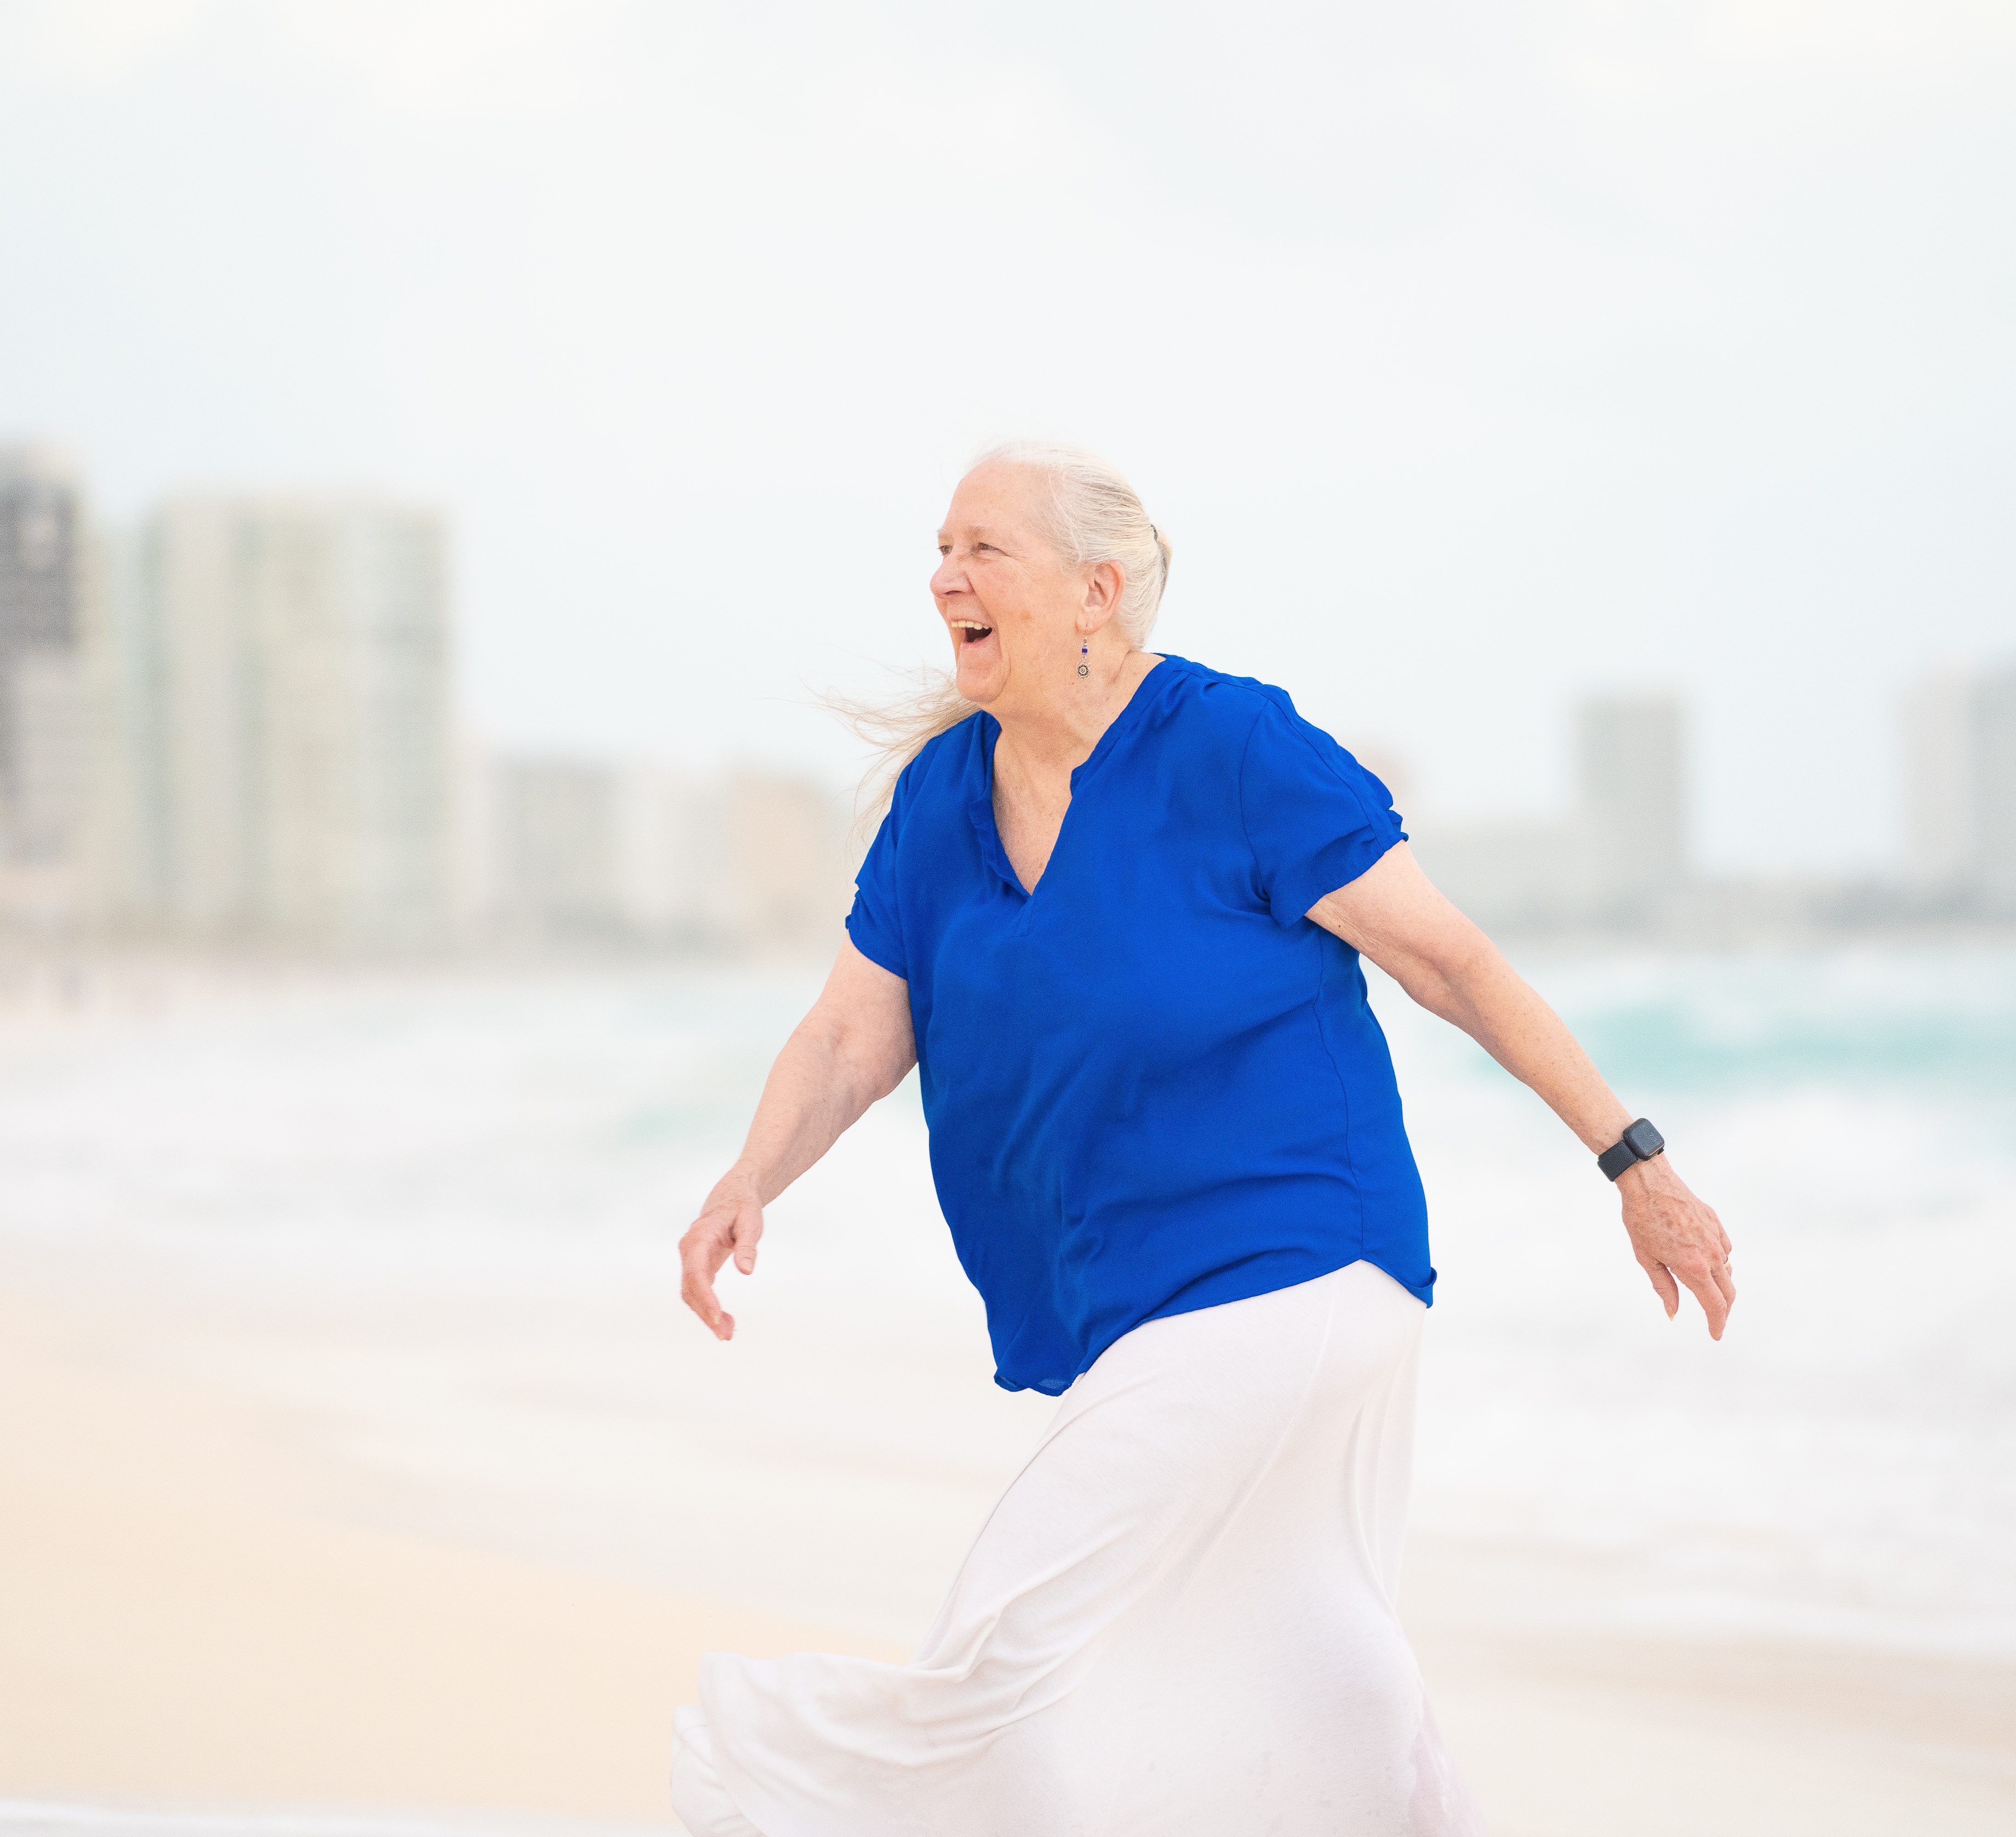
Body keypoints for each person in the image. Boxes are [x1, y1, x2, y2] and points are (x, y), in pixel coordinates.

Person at [670, 443, 1735, 1837]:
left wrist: (1634, 1161)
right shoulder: (940, 802)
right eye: (940, 550)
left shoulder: (1233, 750)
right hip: (1129, 1303)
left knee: (1013, 1640)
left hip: (1298, 1262)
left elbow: (1449, 961)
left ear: (1094, 591)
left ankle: (770, 1793)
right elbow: (847, 1040)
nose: (946, 579)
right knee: (1322, 1671)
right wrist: (751, 1175)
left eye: (985, 549)